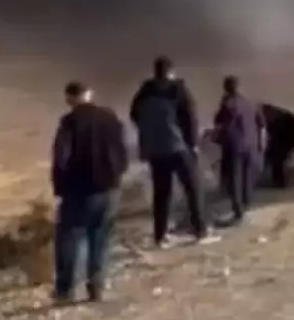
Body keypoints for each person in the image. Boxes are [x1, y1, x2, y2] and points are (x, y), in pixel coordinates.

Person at [51, 80, 128, 303]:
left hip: (77, 191)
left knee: (70, 239)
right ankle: (96, 288)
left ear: (69, 98)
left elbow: (61, 159)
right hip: (108, 188)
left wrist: (60, 187)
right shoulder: (110, 118)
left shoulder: (69, 122)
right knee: (100, 239)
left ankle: (65, 290)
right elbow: (121, 153)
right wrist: (116, 177)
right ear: (90, 94)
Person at [129, 56, 218, 248]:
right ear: (171, 71)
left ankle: (160, 236)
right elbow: (190, 117)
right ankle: (201, 230)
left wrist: (150, 133)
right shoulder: (178, 89)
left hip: (154, 149)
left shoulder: (143, 93)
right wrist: (192, 143)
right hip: (178, 146)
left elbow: (134, 115)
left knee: (161, 192)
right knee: (193, 187)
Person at [213, 75, 266, 225]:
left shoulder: (227, 104)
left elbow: (218, 122)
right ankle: (246, 206)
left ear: (226, 88)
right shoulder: (250, 102)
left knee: (235, 178)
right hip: (250, 144)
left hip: (234, 145)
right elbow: (261, 124)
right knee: (247, 177)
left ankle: (238, 212)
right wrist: (261, 143)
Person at [260, 102, 294, 189]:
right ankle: (279, 180)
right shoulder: (276, 116)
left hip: (288, 135)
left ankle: (279, 181)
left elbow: (273, 135)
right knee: (278, 157)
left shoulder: (274, 120)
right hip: (289, 133)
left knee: (277, 157)